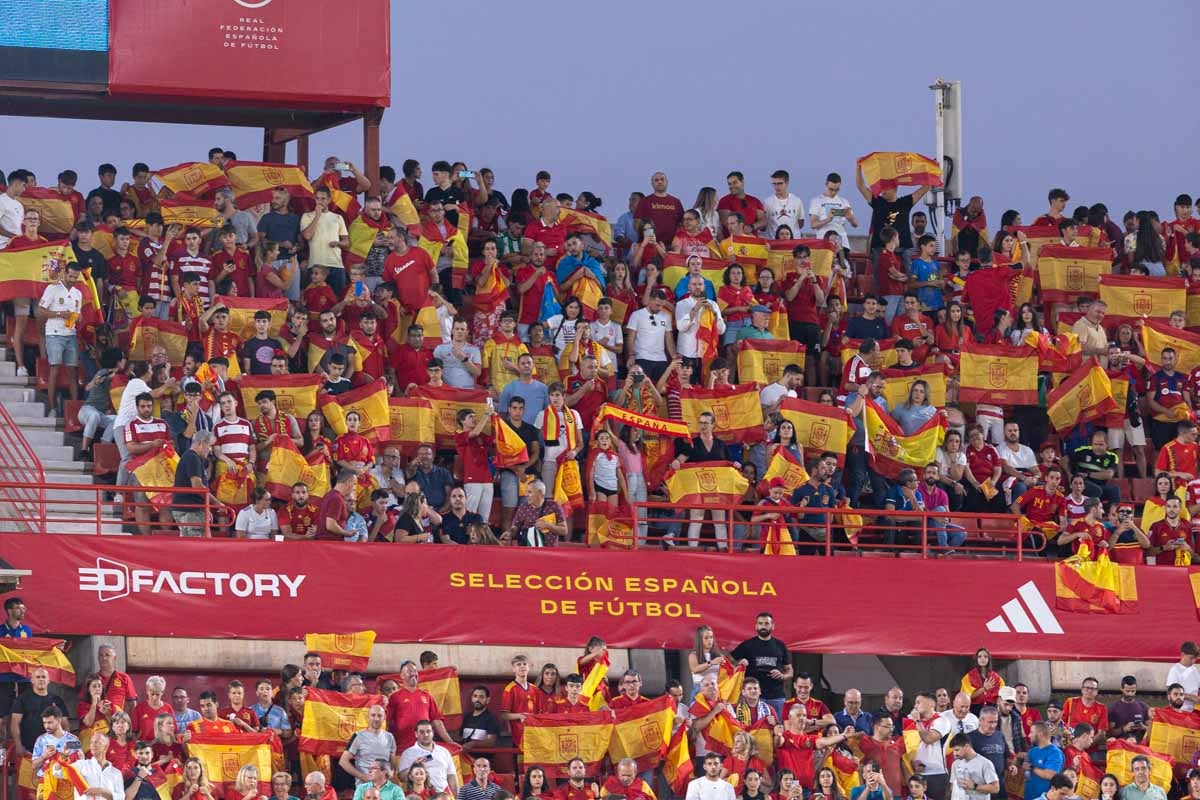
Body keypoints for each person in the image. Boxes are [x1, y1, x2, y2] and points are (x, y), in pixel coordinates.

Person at [732, 613, 792, 719]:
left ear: (773, 626)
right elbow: (729, 660)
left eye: (766, 623)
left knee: (777, 728)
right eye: (760, 623)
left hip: (776, 696)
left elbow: (790, 671)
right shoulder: (747, 645)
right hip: (752, 696)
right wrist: (740, 662)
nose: (763, 626)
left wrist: (782, 676)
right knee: (752, 728)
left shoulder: (780, 645)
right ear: (756, 626)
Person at [339, 705, 395, 785]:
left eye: (379, 715)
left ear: (384, 718)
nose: (376, 718)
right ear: (368, 717)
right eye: (373, 715)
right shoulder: (358, 736)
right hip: (364, 787)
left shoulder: (390, 737)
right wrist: (362, 776)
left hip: (383, 788)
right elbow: (343, 761)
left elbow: (392, 764)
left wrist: (389, 775)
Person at [397, 720, 457, 794]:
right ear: (416, 734)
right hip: (421, 795)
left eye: (428, 731)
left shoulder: (444, 751)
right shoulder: (408, 753)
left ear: (433, 733)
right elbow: (401, 778)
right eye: (421, 732)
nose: (425, 735)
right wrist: (413, 765)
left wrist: (456, 797)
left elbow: (452, 777)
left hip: (444, 794)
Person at [948, 733, 1000, 800]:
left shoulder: (985, 763)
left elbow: (995, 788)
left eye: (957, 750)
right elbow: (952, 787)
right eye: (953, 751)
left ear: (967, 746)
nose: (954, 754)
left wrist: (975, 786)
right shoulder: (955, 764)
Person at [1024, 723, 1064, 800]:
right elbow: (1026, 775)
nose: (1029, 735)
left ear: (1040, 734)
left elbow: (1050, 775)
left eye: (1032, 732)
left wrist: (1032, 767)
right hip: (1029, 796)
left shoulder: (1055, 753)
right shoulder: (1032, 751)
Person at [1166, 641, 1200, 712]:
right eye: (1191, 658)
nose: (1193, 661)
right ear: (1183, 655)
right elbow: (1171, 692)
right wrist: (1192, 697)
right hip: (1180, 710)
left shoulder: (1194, 670)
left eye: (1195, 658)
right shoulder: (1175, 670)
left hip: (1194, 710)